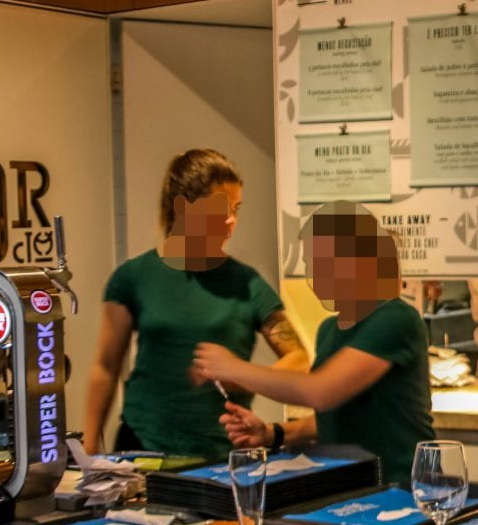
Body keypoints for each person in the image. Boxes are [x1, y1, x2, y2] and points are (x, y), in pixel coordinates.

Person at [82, 149, 308, 458]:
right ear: (183, 207)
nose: (231, 220)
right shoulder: (132, 277)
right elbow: (105, 367)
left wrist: (243, 375)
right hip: (143, 451)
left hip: (220, 453)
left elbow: (300, 360)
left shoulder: (247, 283)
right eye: (220, 209)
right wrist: (89, 448)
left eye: (236, 209)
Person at [194, 201, 435, 483]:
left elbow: (320, 392)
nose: (315, 276)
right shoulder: (328, 329)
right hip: (349, 488)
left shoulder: (395, 317)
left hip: (401, 489)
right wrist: (271, 434)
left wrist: (232, 368)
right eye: (311, 264)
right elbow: (333, 418)